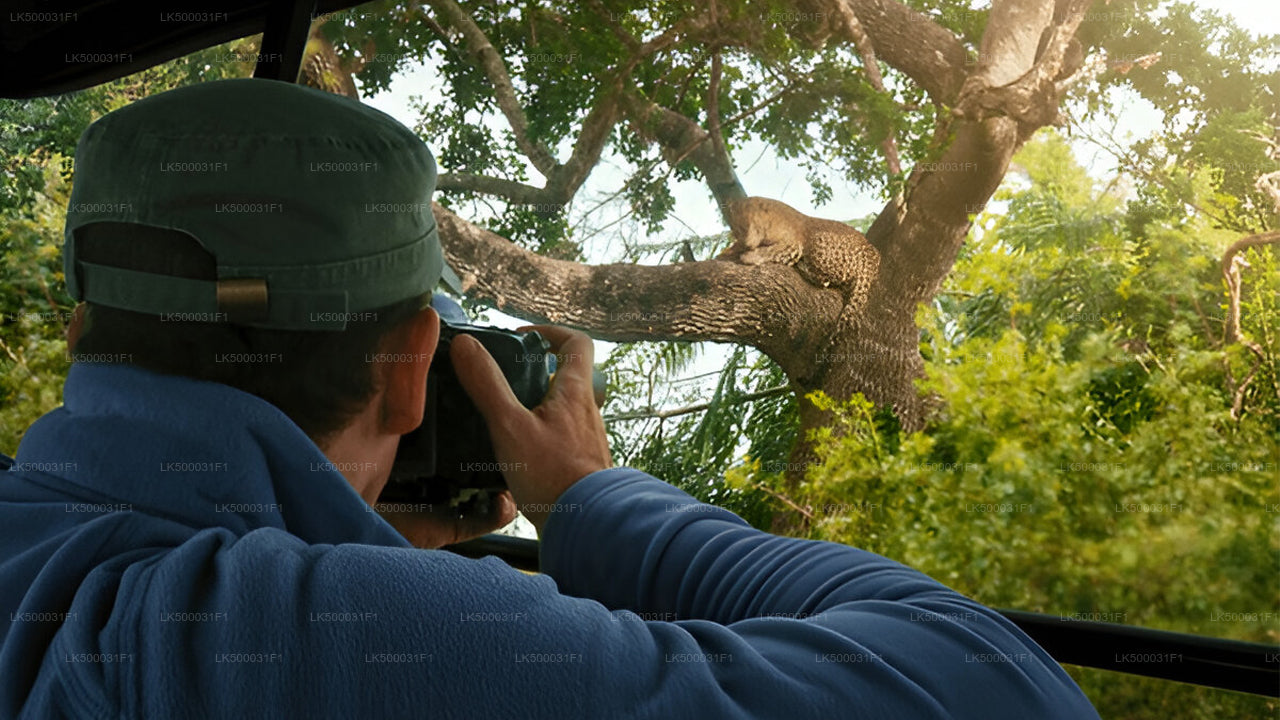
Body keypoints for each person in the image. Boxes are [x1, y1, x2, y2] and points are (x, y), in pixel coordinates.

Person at [0, 78, 1101, 719]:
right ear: (408, 365)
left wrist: (309, 517)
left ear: (84, 325)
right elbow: (998, 681)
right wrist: (593, 495)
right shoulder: (309, 632)